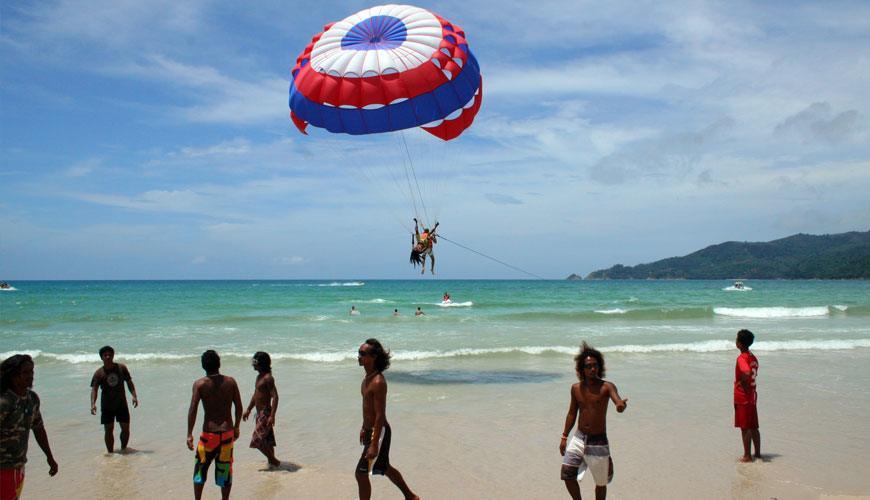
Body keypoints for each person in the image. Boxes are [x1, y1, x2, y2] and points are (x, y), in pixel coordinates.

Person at [559, 342, 627, 500]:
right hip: (579, 437)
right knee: (567, 473)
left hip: (598, 440)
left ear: (600, 366)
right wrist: (564, 437)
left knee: (600, 482)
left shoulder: (607, 387)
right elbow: (571, 413)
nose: (592, 369)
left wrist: (620, 406)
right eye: (588, 366)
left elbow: (618, 401)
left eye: (595, 365)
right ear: (582, 369)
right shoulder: (576, 388)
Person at [355, 339, 419, 500]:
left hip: (380, 431)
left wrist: (374, 443)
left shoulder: (378, 382)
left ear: (373, 357)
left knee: (361, 474)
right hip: (371, 430)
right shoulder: (367, 379)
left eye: (362, 354)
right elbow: (367, 410)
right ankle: (411, 497)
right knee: (384, 467)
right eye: (358, 353)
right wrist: (364, 428)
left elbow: (380, 414)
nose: (358, 356)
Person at [187, 350, 243, 500]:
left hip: (208, 436)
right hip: (226, 434)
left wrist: (189, 434)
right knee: (225, 470)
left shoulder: (200, 384)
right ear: (219, 363)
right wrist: (237, 427)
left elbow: (193, 409)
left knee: (200, 470)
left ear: (203, 366)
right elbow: (238, 407)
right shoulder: (230, 382)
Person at [1, 354, 58, 499]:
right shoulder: (5, 402)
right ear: (13, 376)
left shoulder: (32, 399)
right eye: (25, 372)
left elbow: (38, 429)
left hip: (19, 465)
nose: (31, 376)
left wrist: (49, 457)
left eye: (32, 371)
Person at [90, 345, 139, 453]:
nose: (107, 356)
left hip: (121, 404)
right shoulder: (99, 373)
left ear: (113, 355)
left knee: (125, 429)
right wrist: (93, 404)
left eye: (109, 354)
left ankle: (123, 449)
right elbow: (94, 389)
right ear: (101, 357)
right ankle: (110, 453)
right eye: (105, 355)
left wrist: (134, 396)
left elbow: (129, 383)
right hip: (107, 406)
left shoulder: (121, 368)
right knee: (108, 429)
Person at [242, 352, 281, 467]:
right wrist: (248, 409)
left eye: (255, 362)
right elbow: (256, 395)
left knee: (257, 441)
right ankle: (272, 465)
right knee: (267, 441)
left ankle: (275, 461)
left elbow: (275, 396)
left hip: (265, 413)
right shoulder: (259, 377)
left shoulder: (268, 378)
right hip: (259, 414)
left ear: (261, 364)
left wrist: (272, 416)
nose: (253, 365)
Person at [734, 329, 761, 462]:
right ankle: (757, 453)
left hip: (743, 396)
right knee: (753, 425)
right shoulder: (753, 357)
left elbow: (746, 371)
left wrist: (741, 382)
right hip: (752, 395)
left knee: (745, 427)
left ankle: (747, 456)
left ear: (740, 343)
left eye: (737, 339)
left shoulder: (741, 358)